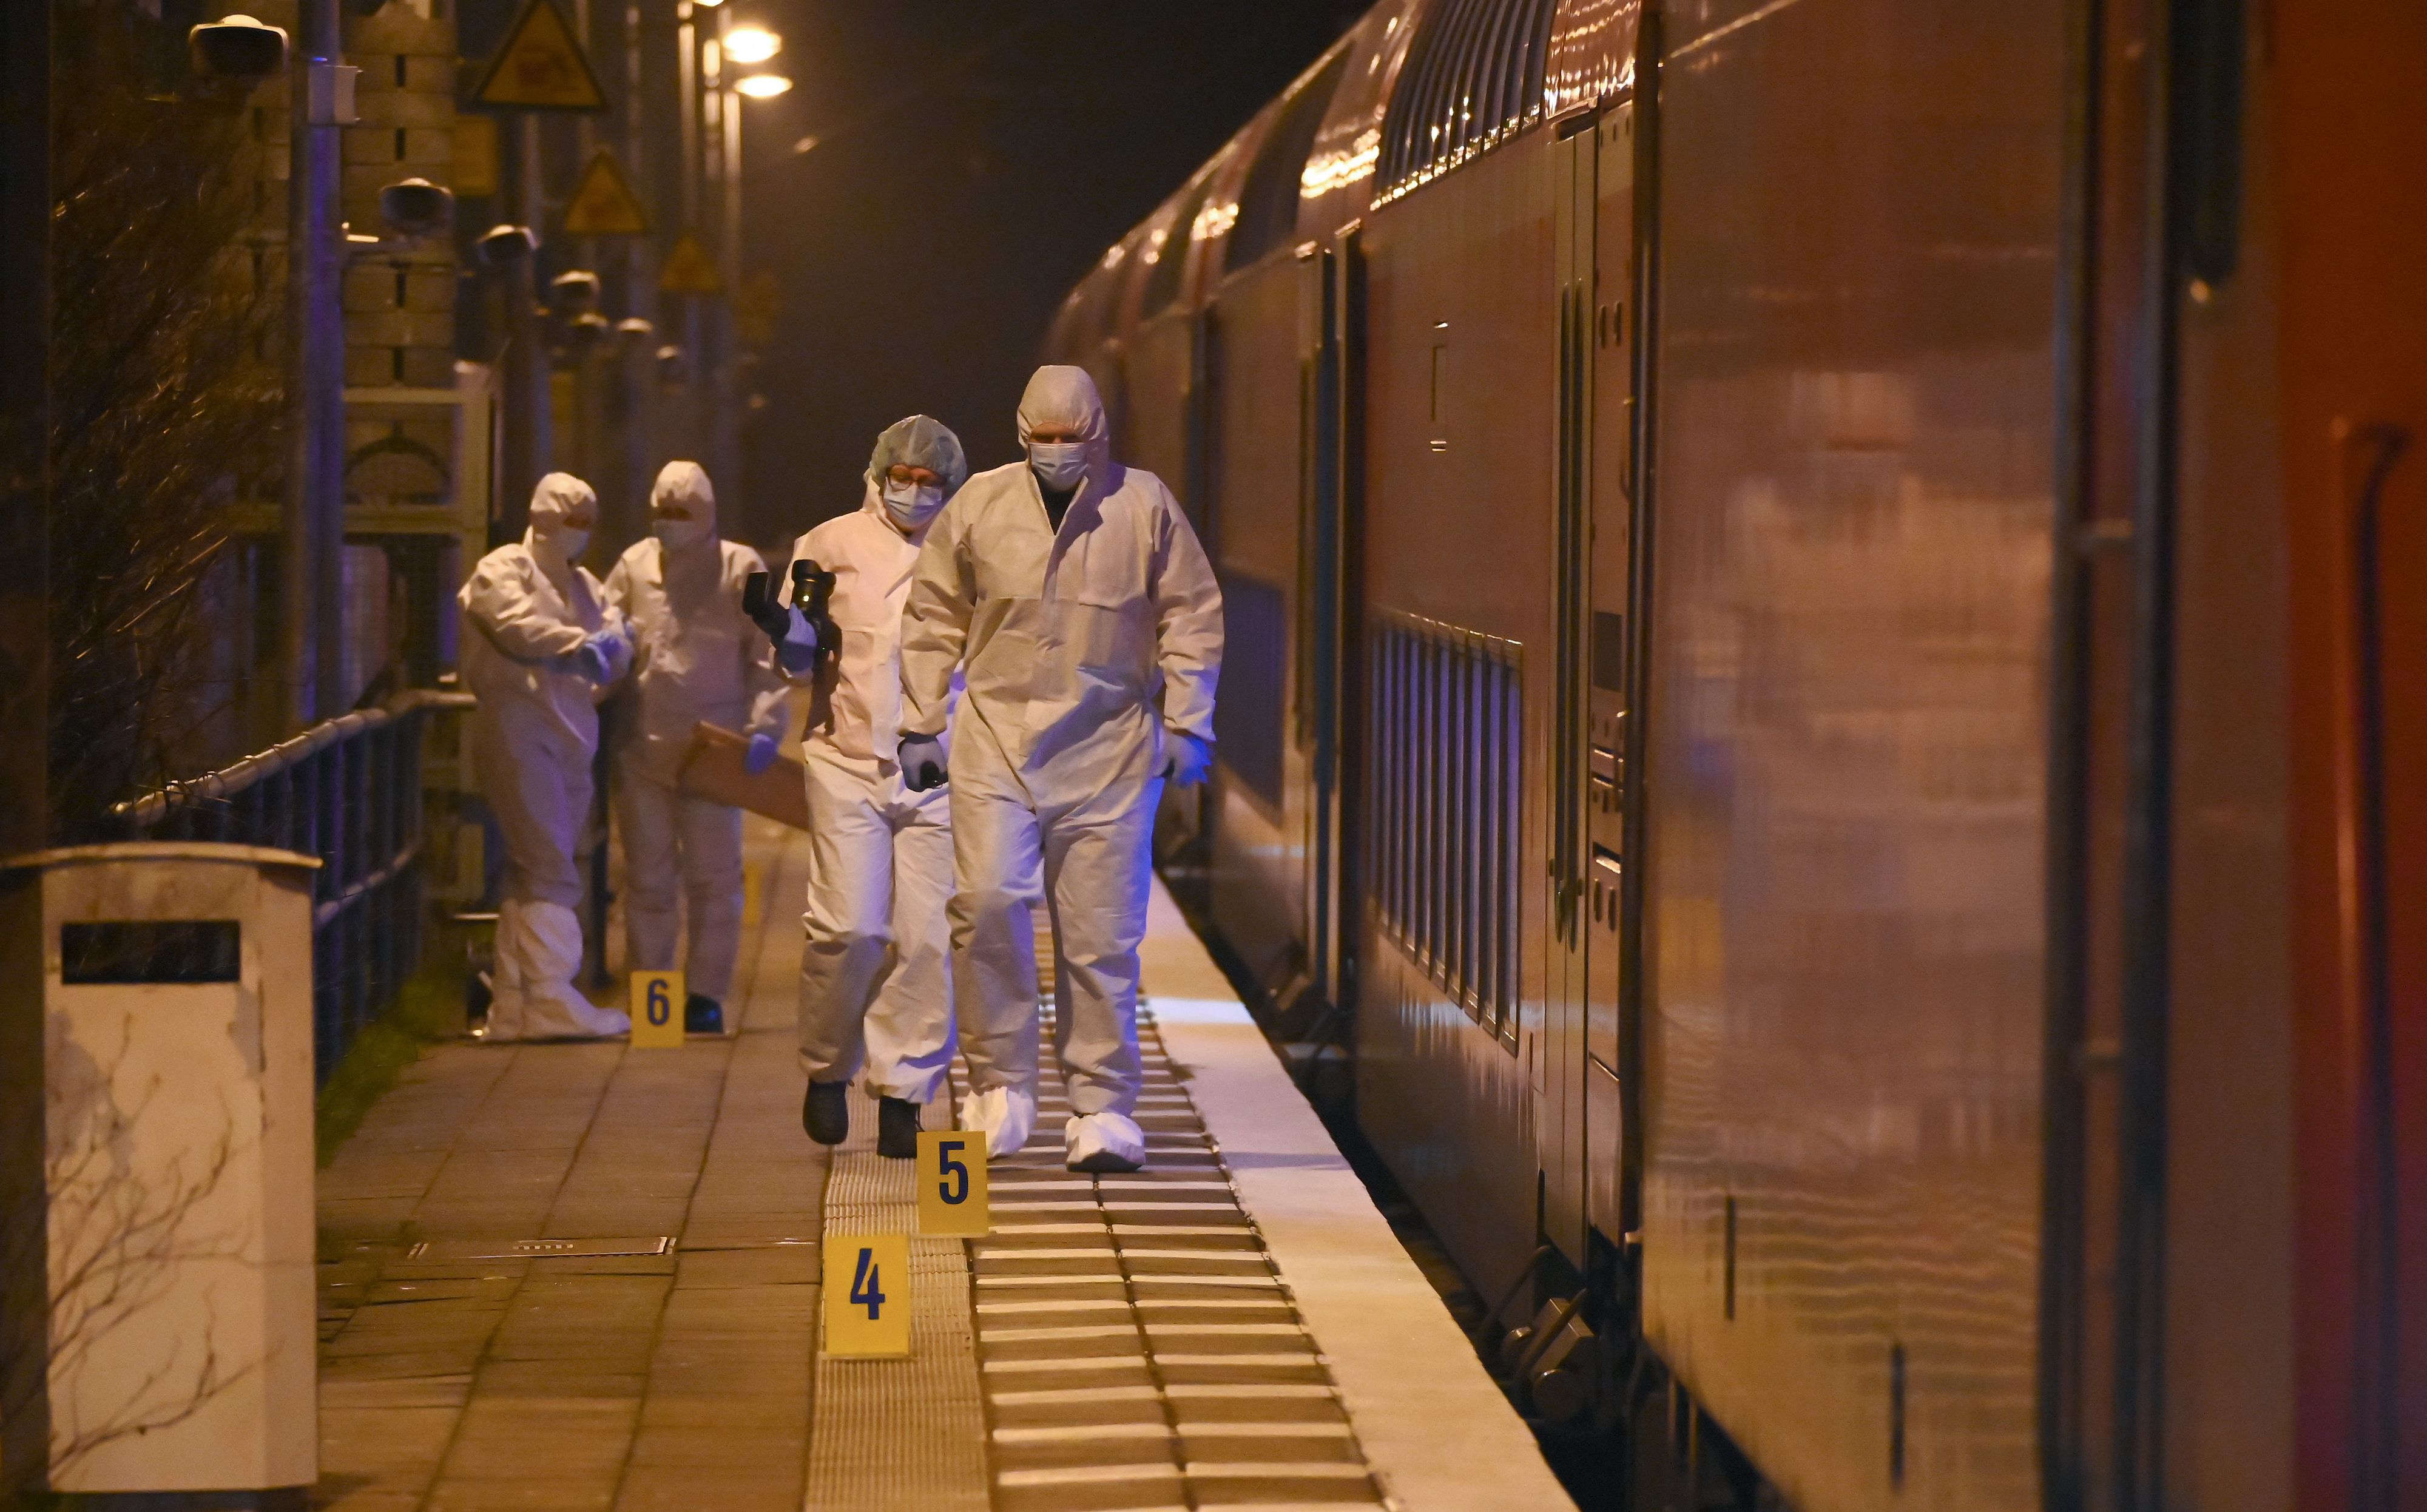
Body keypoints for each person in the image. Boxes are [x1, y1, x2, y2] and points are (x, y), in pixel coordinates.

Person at [897, 366, 1222, 1173]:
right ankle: (1000, 1084)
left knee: (1100, 933)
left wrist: (1189, 721)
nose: (1055, 453)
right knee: (986, 902)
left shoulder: (1143, 507)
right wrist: (919, 723)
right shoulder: (978, 507)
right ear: (1019, 434)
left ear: (1099, 434)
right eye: (1042, 439)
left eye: (1069, 439)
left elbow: (1192, 613)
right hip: (995, 741)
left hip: (1109, 749)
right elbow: (933, 610)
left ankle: (1102, 1106)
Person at [787, 416, 969, 1158]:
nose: (915, 489)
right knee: (849, 928)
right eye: (905, 475)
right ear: (878, 469)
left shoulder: (972, 545)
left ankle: (904, 1092)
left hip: (943, 766)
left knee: (929, 939)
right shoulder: (828, 543)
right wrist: (787, 634)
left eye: (932, 482)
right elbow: (798, 653)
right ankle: (827, 1066)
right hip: (847, 757)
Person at [604, 461, 790, 1036]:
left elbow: (767, 656)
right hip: (643, 749)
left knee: (715, 878)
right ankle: (653, 992)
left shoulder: (740, 569)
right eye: (662, 512)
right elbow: (608, 635)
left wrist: (766, 726)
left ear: (707, 515)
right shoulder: (634, 567)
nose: (670, 523)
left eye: (681, 513)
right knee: (649, 880)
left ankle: (706, 994)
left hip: (714, 752)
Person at [459, 472, 635, 1041]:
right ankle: (552, 993)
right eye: (570, 520)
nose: (578, 532)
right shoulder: (503, 569)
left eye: (587, 521)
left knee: (531, 865)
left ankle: (513, 1000)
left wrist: (612, 647)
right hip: (518, 724)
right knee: (549, 863)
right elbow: (515, 626)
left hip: (571, 732)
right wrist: (579, 646)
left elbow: (617, 640)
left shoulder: (586, 587)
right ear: (541, 518)